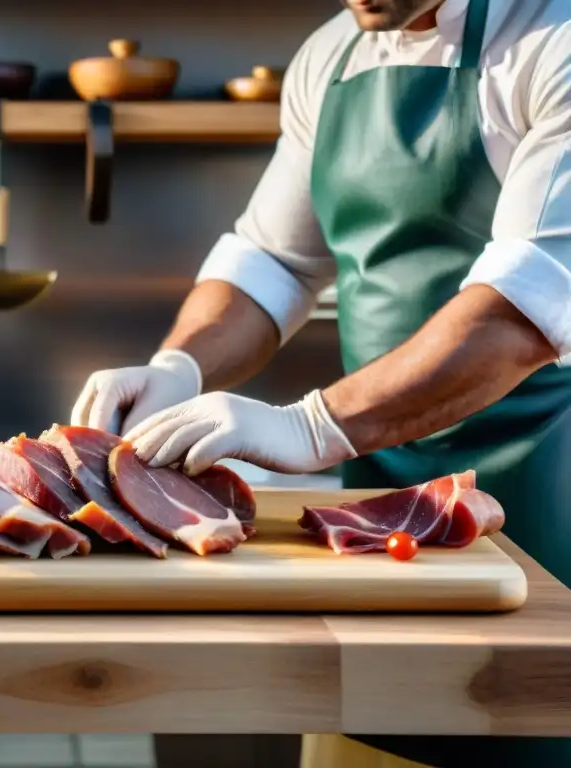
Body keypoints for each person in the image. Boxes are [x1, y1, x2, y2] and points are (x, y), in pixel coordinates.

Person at [70, 0, 571, 765]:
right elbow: (273, 260)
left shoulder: (554, 40)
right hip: (379, 507)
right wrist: (181, 364)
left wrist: (312, 426)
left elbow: (523, 313)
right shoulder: (334, 53)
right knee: (366, 730)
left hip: (547, 491)